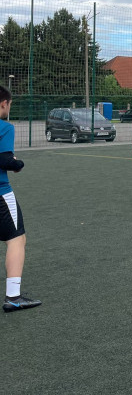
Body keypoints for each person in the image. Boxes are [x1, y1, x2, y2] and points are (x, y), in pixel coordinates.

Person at [0, 85, 41, 312]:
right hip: (1, 193)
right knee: (17, 238)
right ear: (4, 104)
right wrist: (18, 164)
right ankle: (13, 297)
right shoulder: (5, 127)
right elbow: (5, 161)